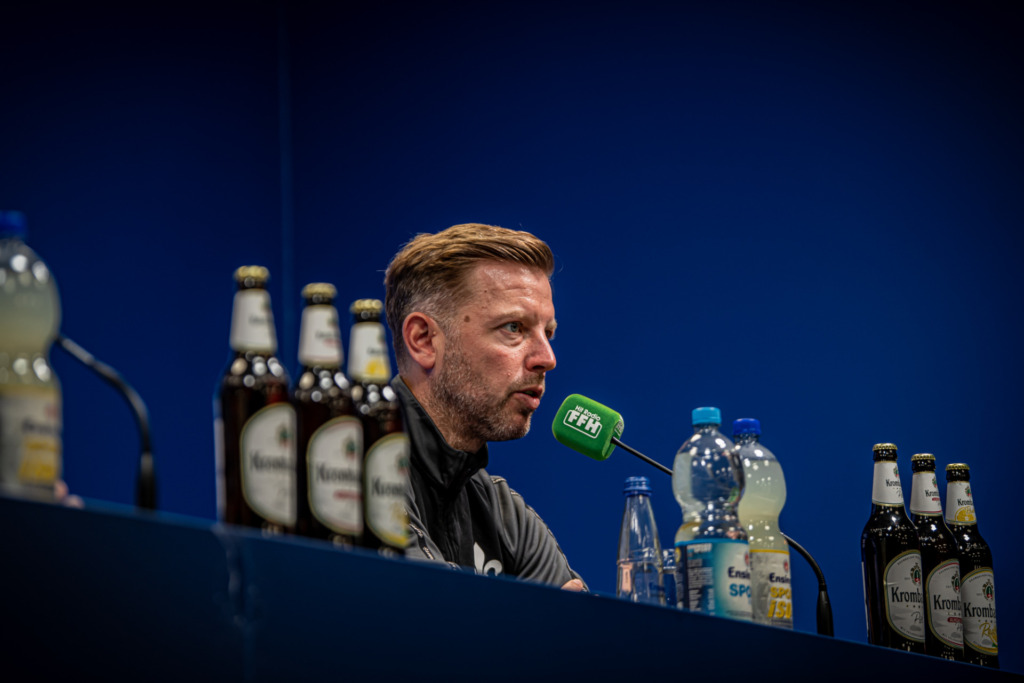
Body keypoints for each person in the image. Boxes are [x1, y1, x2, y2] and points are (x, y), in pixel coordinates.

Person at [384, 223, 586, 591]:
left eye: (549, 333)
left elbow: (577, 640)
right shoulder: (354, 476)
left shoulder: (506, 515)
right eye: (514, 327)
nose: (547, 358)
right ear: (424, 339)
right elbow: (425, 627)